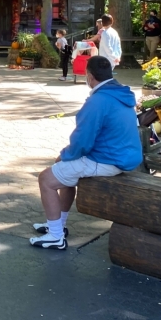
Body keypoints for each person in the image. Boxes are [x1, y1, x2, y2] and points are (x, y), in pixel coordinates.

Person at [30, 56, 142, 250]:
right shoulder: (121, 94)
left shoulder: (98, 101)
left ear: (90, 76)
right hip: (124, 157)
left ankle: (55, 236)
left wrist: (65, 155)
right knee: (65, 173)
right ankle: (57, 225)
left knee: (46, 179)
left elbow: (82, 140)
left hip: (108, 160)